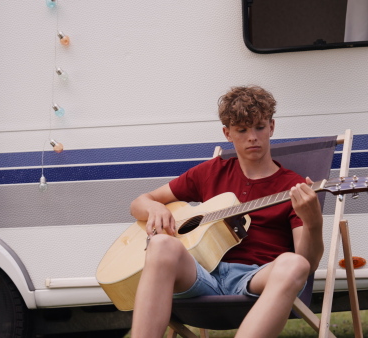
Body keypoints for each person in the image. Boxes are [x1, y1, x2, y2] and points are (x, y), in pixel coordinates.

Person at [129, 85, 324, 338]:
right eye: (242, 130)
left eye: (259, 127)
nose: (252, 137)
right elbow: (139, 203)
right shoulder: (212, 171)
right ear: (227, 133)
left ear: (272, 127)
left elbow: (308, 264)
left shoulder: (293, 187)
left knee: (295, 263)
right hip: (203, 274)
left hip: (257, 277)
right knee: (160, 245)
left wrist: (313, 222)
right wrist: (155, 207)